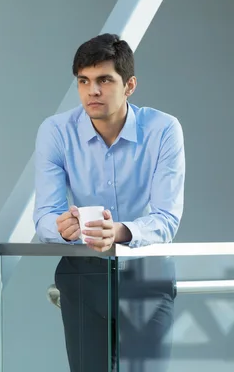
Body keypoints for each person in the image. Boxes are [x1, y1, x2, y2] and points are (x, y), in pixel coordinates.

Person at [33, 33, 185, 371]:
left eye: (104, 80)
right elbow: (44, 216)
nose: (93, 91)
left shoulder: (163, 130)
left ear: (129, 85)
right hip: (82, 275)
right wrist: (64, 228)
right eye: (83, 81)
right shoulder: (56, 131)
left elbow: (166, 218)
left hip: (147, 275)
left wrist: (119, 231)